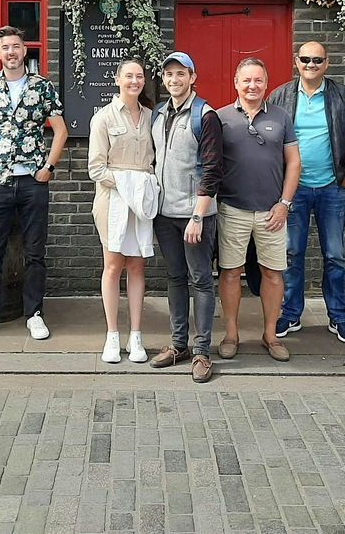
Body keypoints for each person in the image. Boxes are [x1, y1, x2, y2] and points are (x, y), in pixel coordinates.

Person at [0, 26, 68, 342]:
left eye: (16, 46)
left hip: (33, 181)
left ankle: (34, 314)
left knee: (34, 251)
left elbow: (60, 130)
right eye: (5, 47)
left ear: (25, 50)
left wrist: (49, 167)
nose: (11, 52)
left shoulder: (42, 87)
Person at [267, 41, 345, 344]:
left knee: (335, 255)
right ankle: (291, 313)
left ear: (326, 63)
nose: (311, 64)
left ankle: (338, 317)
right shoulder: (280, 96)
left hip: (331, 188)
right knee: (292, 253)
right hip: (293, 191)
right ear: (297, 61)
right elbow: (269, 142)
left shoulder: (344, 96)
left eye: (317, 60)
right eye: (305, 59)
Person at [216, 58, 301, 363]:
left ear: (266, 83)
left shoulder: (281, 116)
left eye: (258, 80)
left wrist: (284, 204)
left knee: (273, 274)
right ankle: (231, 334)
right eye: (246, 80)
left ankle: (270, 335)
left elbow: (294, 162)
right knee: (230, 273)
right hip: (232, 209)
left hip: (272, 212)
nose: (252, 86)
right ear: (236, 83)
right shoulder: (220, 118)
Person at [149, 51, 223, 384]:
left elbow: (213, 169)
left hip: (195, 215)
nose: (174, 79)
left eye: (181, 74)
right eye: (169, 74)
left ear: (192, 78)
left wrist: (198, 216)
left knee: (201, 280)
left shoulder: (205, 115)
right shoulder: (158, 114)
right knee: (175, 278)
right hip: (165, 214)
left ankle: (202, 352)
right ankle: (179, 345)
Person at [88, 57, 158, 365]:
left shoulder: (152, 117)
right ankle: (112, 335)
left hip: (141, 203)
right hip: (113, 200)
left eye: (139, 76)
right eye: (128, 76)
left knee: (137, 266)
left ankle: (136, 336)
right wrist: (129, 183)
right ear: (117, 80)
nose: (134, 81)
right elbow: (95, 168)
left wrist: (144, 186)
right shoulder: (103, 118)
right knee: (113, 266)